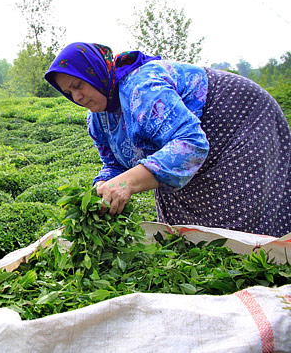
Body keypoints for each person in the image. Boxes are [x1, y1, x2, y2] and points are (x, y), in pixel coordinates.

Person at [44, 42, 291, 237]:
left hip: (237, 118)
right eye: (69, 93)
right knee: (181, 220)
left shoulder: (142, 87)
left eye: (79, 85)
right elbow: (115, 165)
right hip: (193, 137)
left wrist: (128, 183)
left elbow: (190, 145)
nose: (77, 97)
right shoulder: (97, 119)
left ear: (94, 72)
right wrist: (99, 191)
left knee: (234, 215)